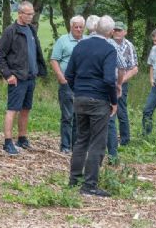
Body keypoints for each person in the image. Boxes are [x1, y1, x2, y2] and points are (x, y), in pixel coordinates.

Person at [66, 15, 117, 197]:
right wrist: (113, 101)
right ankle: (89, 185)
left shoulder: (80, 45)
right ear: (110, 32)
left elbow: (69, 74)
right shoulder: (109, 49)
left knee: (81, 139)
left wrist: (78, 90)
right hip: (99, 100)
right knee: (97, 142)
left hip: (80, 97)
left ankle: (74, 179)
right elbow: (110, 79)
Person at [0, 1, 47, 155]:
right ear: (20, 14)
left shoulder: (31, 30)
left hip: (30, 77)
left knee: (26, 109)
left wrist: (40, 70)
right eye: (28, 14)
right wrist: (8, 75)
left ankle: (22, 138)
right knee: (13, 110)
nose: (31, 16)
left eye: (32, 13)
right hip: (17, 78)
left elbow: (36, 52)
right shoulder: (10, 31)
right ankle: (7, 142)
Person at [50, 15, 86, 154]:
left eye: (80, 27)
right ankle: (65, 146)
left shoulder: (86, 41)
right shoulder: (63, 40)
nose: (78, 29)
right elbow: (54, 60)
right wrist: (61, 77)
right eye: (75, 27)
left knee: (79, 116)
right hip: (67, 83)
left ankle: (75, 145)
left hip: (82, 84)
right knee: (67, 116)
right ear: (71, 27)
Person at [109, 21, 138, 146]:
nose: (117, 32)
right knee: (107, 110)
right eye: (115, 30)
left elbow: (134, 68)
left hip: (122, 83)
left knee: (121, 111)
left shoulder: (129, 46)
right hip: (107, 82)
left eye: (119, 30)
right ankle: (110, 139)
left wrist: (120, 82)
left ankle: (125, 140)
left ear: (125, 32)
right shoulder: (107, 43)